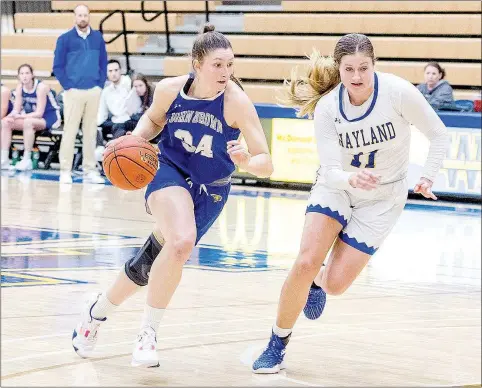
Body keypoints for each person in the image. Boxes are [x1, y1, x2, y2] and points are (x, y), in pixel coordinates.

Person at [71, 23, 273, 368]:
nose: (226, 72)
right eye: (218, 65)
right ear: (197, 63)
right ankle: (147, 334)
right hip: (169, 172)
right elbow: (151, 121)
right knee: (181, 242)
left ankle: (97, 312)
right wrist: (132, 143)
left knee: (151, 261)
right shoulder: (169, 90)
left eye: (230, 64)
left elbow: (266, 163)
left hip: (212, 190)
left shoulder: (237, 102)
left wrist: (246, 161)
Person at [252, 33, 448, 374]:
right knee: (306, 260)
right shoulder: (329, 107)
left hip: (384, 197)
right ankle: (277, 342)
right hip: (338, 186)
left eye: (363, 68)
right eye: (349, 69)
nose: (357, 76)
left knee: (337, 284)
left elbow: (438, 133)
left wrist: (428, 176)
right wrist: (349, 179)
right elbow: (329, 170)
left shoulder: (398, 92)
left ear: (374, 65)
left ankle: (318, 283)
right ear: (338, 68)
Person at [53, 3, 106, 184]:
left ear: (89, 16)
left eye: (85, 15)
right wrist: (68, 86)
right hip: (73, 92)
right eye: (79, 15)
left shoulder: (98, 38)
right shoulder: (65, 39)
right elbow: (57, 67)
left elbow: (103, 62)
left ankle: (89, 169)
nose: (83, 18)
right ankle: (65, 170)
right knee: (70, 131)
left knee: (91, 132)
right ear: (74, 17)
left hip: (93, 90)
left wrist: (99, 84)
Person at [1, 64, 61, 170]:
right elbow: (16, 109)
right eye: (22, 73)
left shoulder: (41, 87)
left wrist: (21, 117)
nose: (24, 76)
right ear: (18, 76)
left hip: (50, 117)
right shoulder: (20, 87)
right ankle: (4, 159)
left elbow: (39, 113)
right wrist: (11, 117)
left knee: (28, 122)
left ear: (32, 75)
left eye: (27, 73)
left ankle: (26, 159)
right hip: (31, 118)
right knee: (6, 122)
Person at [97, 59, 134, 141]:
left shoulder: (129, 84)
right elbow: (102, 114)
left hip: (131, 120)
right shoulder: (106, 92)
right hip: (116, 122)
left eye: (116, 70)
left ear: (120, 71)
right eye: (110, 71)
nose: (113, 73)